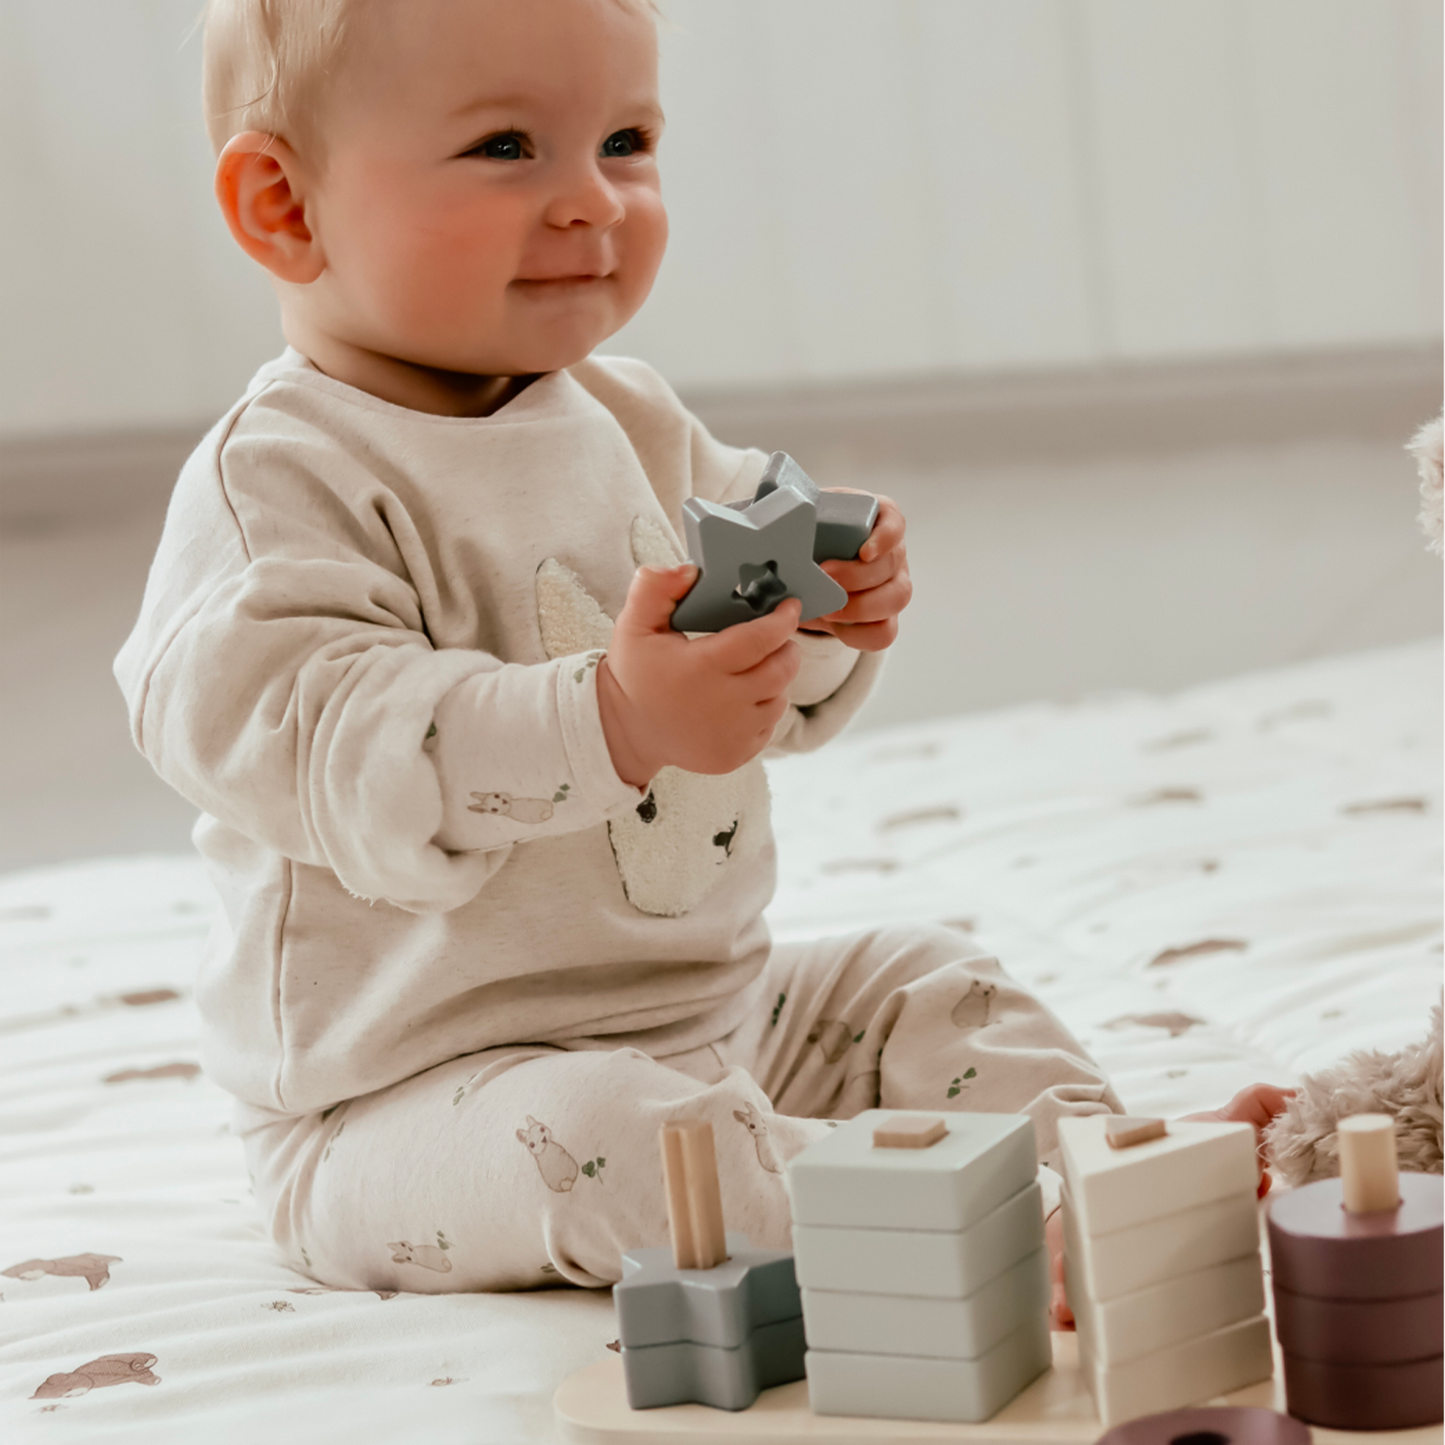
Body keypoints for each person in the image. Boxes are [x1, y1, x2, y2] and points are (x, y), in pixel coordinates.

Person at [115, 0, 1285, 1309]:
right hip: (411, 1102)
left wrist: (829, 618)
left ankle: (1111, 1183)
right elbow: (333, 743)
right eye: (508, 146)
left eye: (624, 140)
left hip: (716, 1020)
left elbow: (746, 691)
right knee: (632, 1147)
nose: (591, 200)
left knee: (927, 980)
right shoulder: (278, 487)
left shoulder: (631, 413)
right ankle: (986, 1245)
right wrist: (611, 719)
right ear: (285, 206)